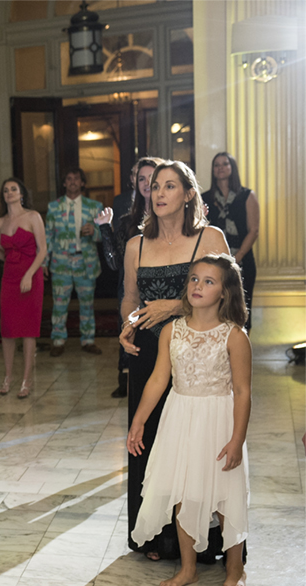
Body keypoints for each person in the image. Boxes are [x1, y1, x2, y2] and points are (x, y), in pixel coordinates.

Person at [120, 161, 231, 560]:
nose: (160, 193)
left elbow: (229, 295)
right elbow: (131, 300)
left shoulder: (210, 238)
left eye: (170, 186)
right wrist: (127, 325)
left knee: (195, 445)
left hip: (195, 353)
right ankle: (156, 537)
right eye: (154, 187)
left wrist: (174, 305)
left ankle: (205, 540)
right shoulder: (136, 245)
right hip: (148, 354)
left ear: (188, 194)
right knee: (148, 442)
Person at [128, 253, 250, 586]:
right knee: (184, 492)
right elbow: (157, 380)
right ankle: (188, 568)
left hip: (219, 421)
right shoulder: (172, 330)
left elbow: (242, 392)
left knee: (226, 496)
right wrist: (138, 420)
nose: (198, 286)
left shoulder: (234, 336)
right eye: (194, 279)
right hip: (180, 418)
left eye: (209, 281)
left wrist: (237, 439)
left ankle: (235, 566)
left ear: (224, 292)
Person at [0, 178, 47, 399]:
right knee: (8, 330)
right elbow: (4, 254)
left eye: (13, 189)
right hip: (9, 278)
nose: (9, 193)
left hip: (31, 276)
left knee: (28, 330)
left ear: (22, 193)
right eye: (6, 190)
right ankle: (8, 376)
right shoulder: (0, 223)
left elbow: (43, 250)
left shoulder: (33, 216)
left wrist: (29, 274)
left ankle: (27, 380)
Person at [108, 158, 161, 398]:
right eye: (141, 178)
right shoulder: (127, 222)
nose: (147, 183)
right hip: (132, 293)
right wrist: (104, 229)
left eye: (152, 177)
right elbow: (115, 263)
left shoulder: (178, 221)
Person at [44, 168, 109, 356]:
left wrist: (95, 232)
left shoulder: (94, 206)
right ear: (64, 183)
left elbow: (105, 235)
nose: (72, 182)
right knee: (59, 304)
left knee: (87, 304)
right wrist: (43, 263)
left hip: (85, 263)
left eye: (76, 179)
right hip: (60, 263)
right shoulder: (53, 207)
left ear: (82, 183)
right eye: (69, 178)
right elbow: (48, 236)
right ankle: (57, 341)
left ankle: (88, 340)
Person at [202, 152, 260, 330]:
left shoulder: (247, 195)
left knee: (241, 309)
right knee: (216, 309)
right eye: (216, 165)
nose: (220, 168)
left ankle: (242, 351)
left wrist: (237, 257)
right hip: (214, 263)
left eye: (225, 164)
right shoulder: (205, 198)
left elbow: (253, 230)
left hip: (242, 261)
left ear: (232, 168)